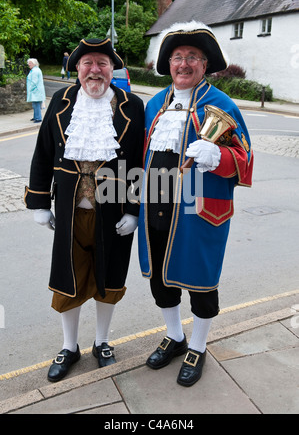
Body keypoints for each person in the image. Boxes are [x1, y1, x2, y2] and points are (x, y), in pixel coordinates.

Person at [138, 22, 253, 387]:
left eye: (192, 57)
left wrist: (217, 155)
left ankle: (198, 346)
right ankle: (175, 336)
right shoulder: (154, 104)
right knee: (160, 277)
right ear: (168, 64)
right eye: (177, 57)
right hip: (155, 206)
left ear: (205, 65)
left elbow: (246, 161)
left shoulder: (222, 104)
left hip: (200, 211)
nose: (183, 64)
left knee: (201, 283)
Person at [25, 38, 144, 382]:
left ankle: (102, 342)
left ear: (112, 70)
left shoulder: (131, 105)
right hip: (70, 209)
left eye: (102, 64)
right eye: (88, 63)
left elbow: (139, 161)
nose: (95, 70)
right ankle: (69, 346)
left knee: (109, 277)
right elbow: (43, 153)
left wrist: (134, 210)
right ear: (77, 69)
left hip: (114, 209)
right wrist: (39, 202)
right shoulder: (61, 102)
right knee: (68, 278)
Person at [26, 58, 46, 123]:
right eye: (28, 63)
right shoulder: (35, 70)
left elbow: (34, 81)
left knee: (36, 104)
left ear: (34, 64)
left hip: (36, 90)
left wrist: (30, 89)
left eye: (30, 63)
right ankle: (35, 117)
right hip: (36, 90)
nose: (28, 64)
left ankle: (38, 118)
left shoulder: (35, 71)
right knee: (35, 104)